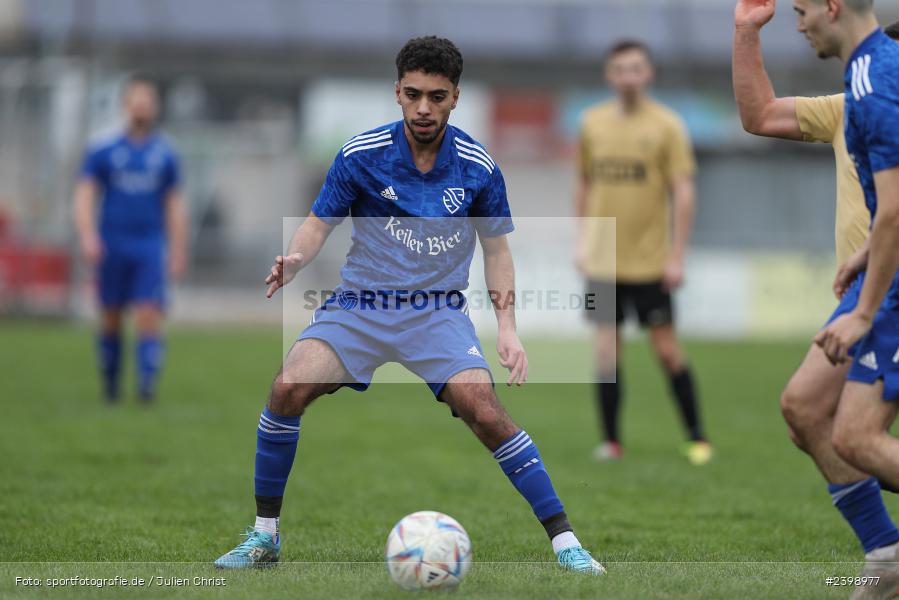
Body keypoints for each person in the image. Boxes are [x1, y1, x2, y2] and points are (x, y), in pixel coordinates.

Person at [213, 36, 604, 575]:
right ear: (397, 92)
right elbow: (318, 222)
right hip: (360, 307)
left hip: (436, 312)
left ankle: (566, 543)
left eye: (437, 97)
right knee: (286, 388)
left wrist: (508, 327)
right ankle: (263, 537)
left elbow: (497, 250)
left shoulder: (478, 167)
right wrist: (296, 260)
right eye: (414, 94)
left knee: (486, 412)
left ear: (455, 98)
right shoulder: (360, 155)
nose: (424, 108)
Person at [740, 1, 899, 597]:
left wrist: (863, 309)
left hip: (883, 292)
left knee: (856, 437)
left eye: (803, 9)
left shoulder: (876, 80)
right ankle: (887, 556)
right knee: (809, 410)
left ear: (833, 8)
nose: (798, 21)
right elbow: (758, 113)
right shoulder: (856, 89)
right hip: (875, 282)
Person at [576, 40, 711, 465]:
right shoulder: (591, 123)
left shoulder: (668, 125)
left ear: (648, 73)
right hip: (603, 262)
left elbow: (684, 191)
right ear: (609, 75)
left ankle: (696, 436)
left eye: (636, 68)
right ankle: (611, 442)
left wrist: (677, 255)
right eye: (620, 69)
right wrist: (582, 238)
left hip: (651, 262)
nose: (629, 76)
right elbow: (582, 182)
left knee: (667, 350)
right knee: (606, 352)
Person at [73, 76, 187, 403]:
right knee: (110, 315)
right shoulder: (103, 148)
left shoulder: (166, 153)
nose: (142, 107)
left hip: (149, 245)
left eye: (147, 101)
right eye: (136, 100)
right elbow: (84, 195)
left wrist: (177, 249)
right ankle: (110, 388)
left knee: (148, 313)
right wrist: (87, 236)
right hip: (112, 243)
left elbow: (175, 204)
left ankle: (146, 388)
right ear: (126, 104)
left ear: (155, 107)